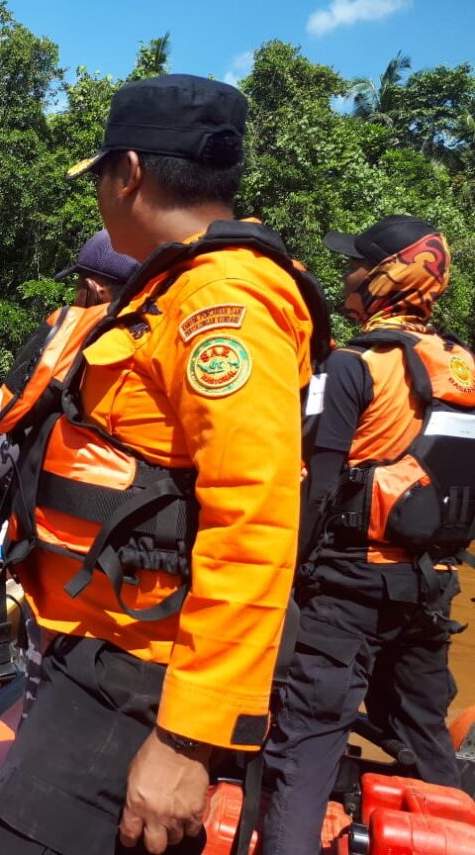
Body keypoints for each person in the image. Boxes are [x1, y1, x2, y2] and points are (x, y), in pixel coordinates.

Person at [0, 74, 327, 855]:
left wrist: (188, 737)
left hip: (141, 678)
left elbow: (255, 521)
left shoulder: (223, 309)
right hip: (97, 653)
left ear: (128, 172)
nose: (97, 191)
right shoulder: (175, 289)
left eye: (99, 175)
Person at [261, 217, 473, 854]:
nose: (347, 275)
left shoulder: (352, 365)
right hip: (429, 590)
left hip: (345, 587)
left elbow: (320, 485)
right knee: (427, 737)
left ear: (382, 278)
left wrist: (280, 573)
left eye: (357, 265)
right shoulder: (463, 363)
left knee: (306, 745)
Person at [0, 229, 138, 497]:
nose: (75, 297)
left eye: (78, 287)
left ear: (93, 290)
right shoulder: (167, 326)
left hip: (71, 509)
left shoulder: (70, 328)